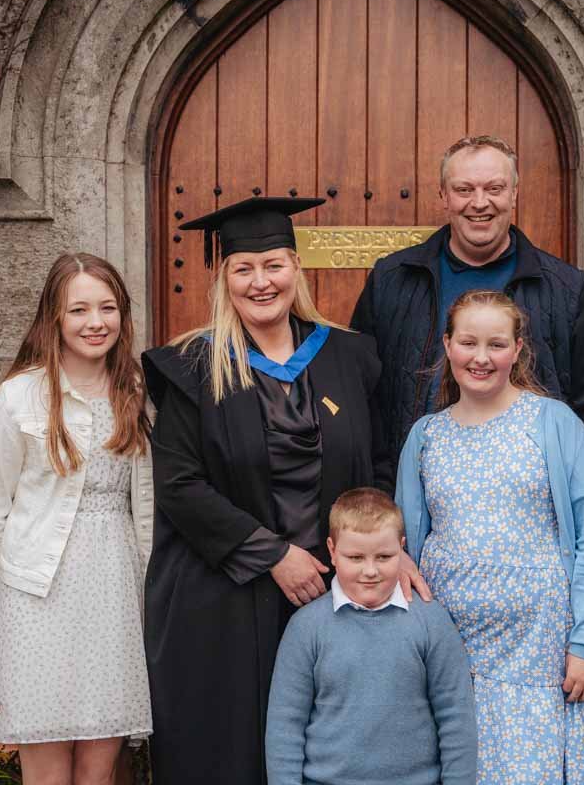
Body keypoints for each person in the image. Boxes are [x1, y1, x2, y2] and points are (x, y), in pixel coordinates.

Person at [142, 197, 418, 785]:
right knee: (229, 753)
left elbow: (379, 463)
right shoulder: (191, 366)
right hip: (223, 597)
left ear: (297, 268)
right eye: (244, 269)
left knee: (329, 747)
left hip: (329, 592)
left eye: (274, 264)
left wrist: (370, 549)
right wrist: (273, 554)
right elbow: (180, 486)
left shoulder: (350, 356)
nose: (261, 282)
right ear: (224, 280)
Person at [396, 290, 584, 785]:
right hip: (453, 652)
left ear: (518, 350)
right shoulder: (426, 436)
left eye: (496, 344)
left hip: (538, 653)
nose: (481, 357)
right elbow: (405, 539)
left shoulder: (554, 424)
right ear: (447, 346)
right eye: (468, 342)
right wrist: (402, 562)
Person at [350, 135, 584, 500]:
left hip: (531, 513)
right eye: (464, 189)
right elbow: (360, 397)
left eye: (494, 188)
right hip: (414, 506)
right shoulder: (392, 280)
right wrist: (382, 502)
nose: (479, 203)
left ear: (514, 194)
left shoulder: (565, 288)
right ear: (444, 196)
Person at [0, 253, 154, 784]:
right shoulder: (19, 395)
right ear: (54, 317)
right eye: (80, 310)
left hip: (113, 590)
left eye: (108, 307)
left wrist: (145, 583)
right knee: (47, 773)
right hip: (38, 597)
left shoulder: (134, 392)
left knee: (100, 770)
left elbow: (145, 506)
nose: (96, 322)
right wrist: (10, 603)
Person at [265, 488, 477, 785]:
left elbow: (456, 718)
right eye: (355, 557)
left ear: (401, 550)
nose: (370, 570)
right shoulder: (306, 628)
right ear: (332, 552)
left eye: (384, 556)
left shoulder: (431, 622)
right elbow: (285, 725)